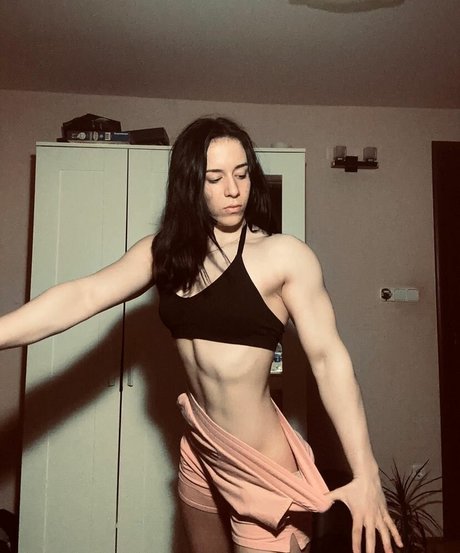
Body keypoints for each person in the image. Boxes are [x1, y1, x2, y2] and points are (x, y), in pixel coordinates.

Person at [0, 116, 402, 553]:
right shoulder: (163, 253)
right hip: (201, 445)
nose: (233, 190)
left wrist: (366, 473)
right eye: (215, 178)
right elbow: (83, 295)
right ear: (191, 184)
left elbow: (329, 362)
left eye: (242, 174)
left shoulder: (283, 256)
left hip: (260, 466)